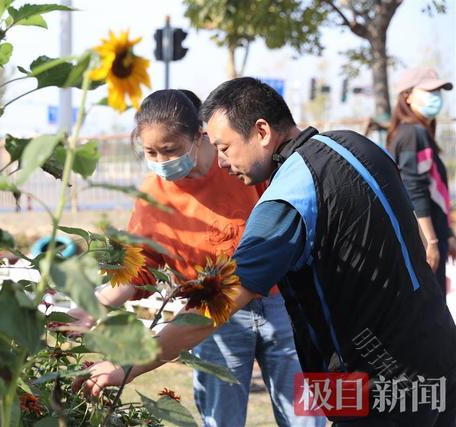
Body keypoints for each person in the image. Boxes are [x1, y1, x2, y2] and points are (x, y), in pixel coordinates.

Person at [77, 78, 456, 426]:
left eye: (224, 147)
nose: (223, 162)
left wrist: (128, 364)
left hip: (379, 379)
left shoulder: (287, 197)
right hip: (437, 354)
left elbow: (217, 303)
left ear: (261, 131)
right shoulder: (353, 144)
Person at [70, 89, 323, 426]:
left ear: (199, 135)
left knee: (305, 413)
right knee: (220, 418)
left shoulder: (241, 167)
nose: (161, 161)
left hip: (282, 305)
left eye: (170, 150)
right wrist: (92, 306)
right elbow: (140, 269)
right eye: (151, 153)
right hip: (207, 317)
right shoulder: (153, 195)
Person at [387, 66, 455, 298]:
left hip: (432, 237)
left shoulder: (414, 133)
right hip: (426, 242)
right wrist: (432, 241)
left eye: (438, 91)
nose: (436, 97)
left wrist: (446, 235)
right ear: (407, 96)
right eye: (429, 91)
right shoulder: (413, 134)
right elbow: (413, 189)